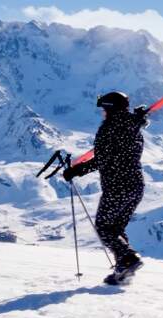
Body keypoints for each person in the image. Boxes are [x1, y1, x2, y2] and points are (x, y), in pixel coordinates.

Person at [62, 91, 150, 286]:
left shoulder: (110, 129)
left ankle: (128, 259)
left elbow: (102, 159)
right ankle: (123, 270)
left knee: (104, 227)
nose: (102, 113)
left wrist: (76, 170)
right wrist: (136, 119)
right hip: (136, 185)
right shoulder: (132, 127)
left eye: (104, 109)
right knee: (115, 228)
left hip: (118, 186)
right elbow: (123, 142)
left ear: (110, 109)